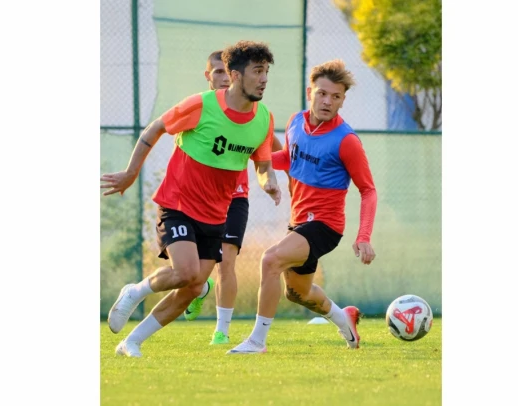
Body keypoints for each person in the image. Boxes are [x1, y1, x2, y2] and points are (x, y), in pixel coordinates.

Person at [100, 40, 281, 358]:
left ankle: (131, 342)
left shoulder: (263, 118)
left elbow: (263, 164)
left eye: (266, 71)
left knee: (195, 286)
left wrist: (269, 183)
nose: (264, 79)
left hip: (216, 215)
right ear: (235, 75)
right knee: (185, 272)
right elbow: (155, 128)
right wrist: (131, 173)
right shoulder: (201, 105)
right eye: (257, 71)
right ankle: (135, 291)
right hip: (178, 204)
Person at [227, 59, 377, 354]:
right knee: (298, 293)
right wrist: (247, 155)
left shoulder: (347, 141)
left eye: (336, 96)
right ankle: (344, 318)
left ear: (342, 101)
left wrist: (364, 236)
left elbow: (368, 190)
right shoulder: (296, 122)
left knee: (270, 260)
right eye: (322, 93)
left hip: (325, 226)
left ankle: (257, 341)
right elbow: (288, 159)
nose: (328, 101)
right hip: (299, 222)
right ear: (310, 92)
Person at [183, 51, 285, 347]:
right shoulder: (201, 108)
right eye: (217, 72)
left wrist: (276, 178)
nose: (223, 78)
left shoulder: (253, 115)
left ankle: (221, 331)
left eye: (226, 73)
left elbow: (273, 153)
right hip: (193, 199)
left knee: (225, 262)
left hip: (233, 199)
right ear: (208, 76)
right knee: (189, 269)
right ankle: (200, 288)